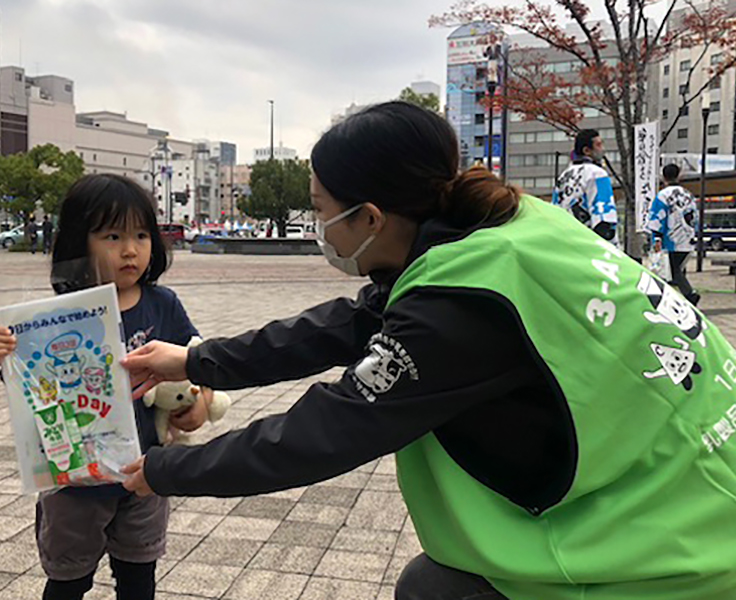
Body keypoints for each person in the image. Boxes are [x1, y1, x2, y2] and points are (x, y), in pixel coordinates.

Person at [120, 103, 736, 600]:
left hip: (684, 537)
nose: (318, 226)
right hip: (688, 476)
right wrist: (193, 360)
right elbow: (347, 324)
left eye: (318, 209)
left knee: (432, 589)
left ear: (369, 218)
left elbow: (327, 429)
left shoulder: (462, 302)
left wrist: (163, 471)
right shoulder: (505, 230)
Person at [0, 174, 209, 600]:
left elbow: (197, 363)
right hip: (73, 478)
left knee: (138, 574)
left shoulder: (164, 305)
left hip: (144, 472)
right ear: (78, 242)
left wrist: (199, 405)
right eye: (112, 235)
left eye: (142, 234)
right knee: (69, 579)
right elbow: (28, 387)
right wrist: (5, 355)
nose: (130, 249)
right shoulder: (57, 314)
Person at [553, 129, 619, 245]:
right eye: (598, 145)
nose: (602, 149)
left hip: (565, 241)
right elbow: (603, 215)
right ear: (587, 150)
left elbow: (554, 210)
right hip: (590, 243)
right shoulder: (597, 173)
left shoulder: (563, 177)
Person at [646, 163, 700, 305]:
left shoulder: (663, 195)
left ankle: (689, 295)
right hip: (688, 238)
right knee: (678, 268)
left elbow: (657, 218)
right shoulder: (688, 195)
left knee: (671, 270)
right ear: (679, 175)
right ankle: (681, 298)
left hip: (670, 241)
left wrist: (656, 237)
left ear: (663, 177)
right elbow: (695, 217)